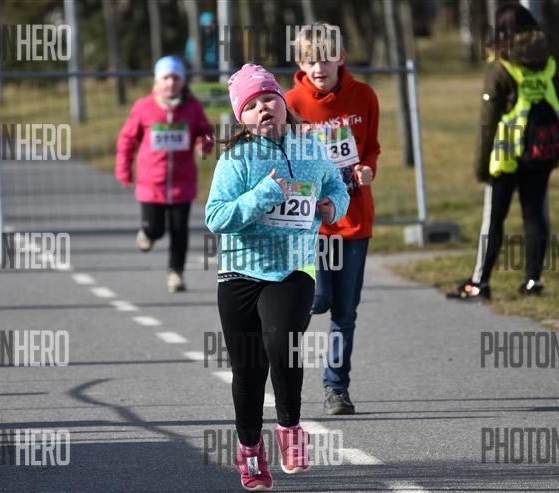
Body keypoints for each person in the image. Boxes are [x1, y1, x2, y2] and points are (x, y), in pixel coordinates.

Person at [205, 64, 349, 491]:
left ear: (283, 103)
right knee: (248, 370)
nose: (263, 108)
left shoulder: (310, 148)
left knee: (283, 342)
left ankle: (290, 428)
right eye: (252, 105)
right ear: (242, 118)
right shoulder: (236, 159)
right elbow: (216, 217)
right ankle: (249, 449)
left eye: (269, 98)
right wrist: (263, 195)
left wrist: (332, 207)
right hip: (239, 273)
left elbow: (337, 186)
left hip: (292, 268)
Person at [285, 22, 380, 415]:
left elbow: (371, 147)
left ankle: (336, 387)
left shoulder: (364, 97)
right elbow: (282, 156)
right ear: (300, 63)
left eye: (325, 59)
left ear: (341, 58)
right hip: (311, 222)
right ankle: (280, 350)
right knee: (318, 297)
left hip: (354, 220)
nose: (318, 67)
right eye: (310, 60)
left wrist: (368, 169)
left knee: (344, 311)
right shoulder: (291, 103)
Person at [447, 3, 559, 301]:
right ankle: (533, 282)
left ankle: (480, 283)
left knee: (494, 218)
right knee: (535, 214)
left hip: (506, 155)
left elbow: (487, 123)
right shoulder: (548, 62)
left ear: (502, 32)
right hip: (540, 150)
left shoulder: (501, 67)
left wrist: (481, 166)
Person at [115, 56, 213, 292]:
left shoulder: (192, 107)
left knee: (180, 231)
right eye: (166, 78)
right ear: (157, 81)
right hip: (152, 183)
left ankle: (175, 273)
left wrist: (204, 144)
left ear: (183, 81)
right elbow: (127, 139)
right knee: (155, 228)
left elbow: (206, 131)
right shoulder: (143, 107)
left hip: (182, 182)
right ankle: (147, 233)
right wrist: (124, 169)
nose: (171, 82)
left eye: (176, 78)